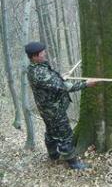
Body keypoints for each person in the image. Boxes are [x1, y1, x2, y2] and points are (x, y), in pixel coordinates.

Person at [25, 41, 99, 170]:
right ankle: (73, 163)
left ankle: (53, 155)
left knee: (51, 131)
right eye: (42, 53)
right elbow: (63, 87)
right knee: (66, 134)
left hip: (46, 108)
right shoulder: (39, 73)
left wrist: (61, 77)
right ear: (34, 56)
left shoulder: (34, 68)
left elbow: (52, 82)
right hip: (53, 110)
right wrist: (86, 84)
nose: (44, 54)